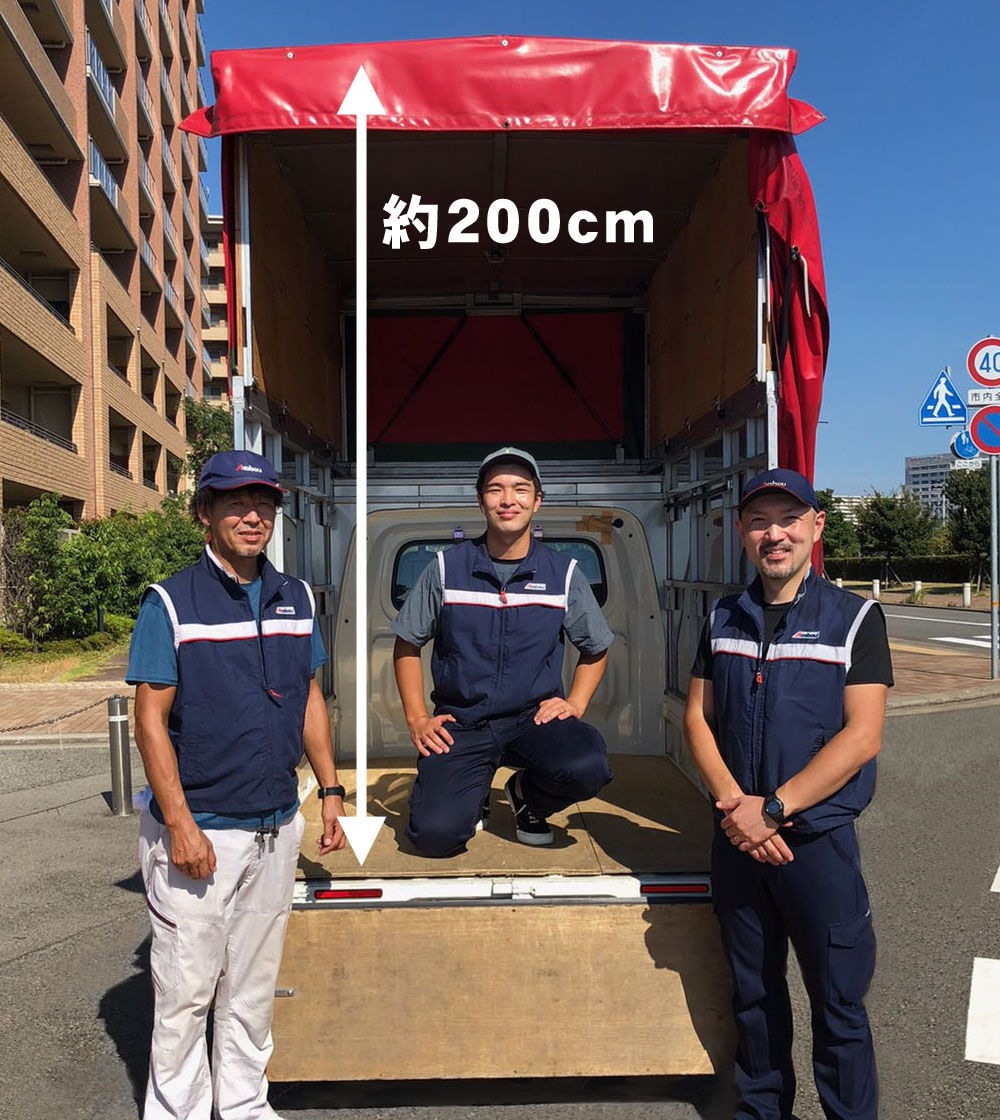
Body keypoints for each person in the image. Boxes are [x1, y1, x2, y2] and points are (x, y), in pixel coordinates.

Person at [127, 449, 346, 1120]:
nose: (253, 517)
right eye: (235, 503)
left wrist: (330, 791)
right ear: (205, 514)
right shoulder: (172, 602)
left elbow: (309, 697)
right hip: (201, 831)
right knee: (188, 987)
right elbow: (149, 719)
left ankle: (245, 1104)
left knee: (251, 984)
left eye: (264, 505)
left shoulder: (295, 596)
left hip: (277, 823)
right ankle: (180, 1111)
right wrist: (181, 822)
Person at [683, 468, 892, 1120]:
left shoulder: (855, 619)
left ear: (815, 527)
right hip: (739, 840)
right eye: (760, 521)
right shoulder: (723, 615)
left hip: (816, 846)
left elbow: (862, 737)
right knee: (754, 997)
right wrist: (737, 811)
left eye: (789, 519)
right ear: (744, 534)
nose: (775, 534)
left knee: (838, 1006)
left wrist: (773, 809)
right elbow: (696, 715)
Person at [392, 446, 615, 856]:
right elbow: (407, 642)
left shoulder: (562, 574)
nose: (508, 499)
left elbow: (596, 647)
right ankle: (469, 794)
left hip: (533, 720)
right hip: (462, 723)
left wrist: (576, 703)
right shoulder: (446, 568)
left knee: (588, 766)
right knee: (435, 838)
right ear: (481, 501)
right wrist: (417, 718)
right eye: (495, 490)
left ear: (537, 500)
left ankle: (528, 796)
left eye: (520, 489)